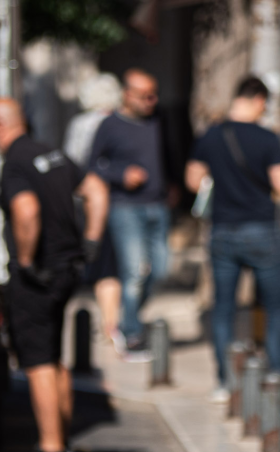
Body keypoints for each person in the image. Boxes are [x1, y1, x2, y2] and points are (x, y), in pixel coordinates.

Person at [0, 98, 109, 452]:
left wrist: (23, 261)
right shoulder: (50, 152)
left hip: (38, 275)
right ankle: (62, 442)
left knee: (36, 363)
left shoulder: (16, 161)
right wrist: (91, 243)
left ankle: (51, 451)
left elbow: (26, 210)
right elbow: (97, 190)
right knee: (52, 358)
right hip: (67, 269)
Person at [185, 76, 280, 402]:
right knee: (275, 307)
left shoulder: (210, 135)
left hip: (222, 230)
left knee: (223, 308)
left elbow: (193, 180)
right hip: (261, 229)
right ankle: (276, 373)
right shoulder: (268, 138)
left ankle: (225, 381)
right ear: (259, 100)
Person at [89, 68, 176, 358]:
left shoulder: (159, 120)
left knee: (161, 268)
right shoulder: (109, 125)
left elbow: (171, 153)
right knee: (135, 271)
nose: (151, 101)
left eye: (154, 95)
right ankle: (132, 333)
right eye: (144, 96)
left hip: (158, 205)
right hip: (125, 207)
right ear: (127, 95)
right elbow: (92, 165)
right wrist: (120, 173)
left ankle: (128, 317)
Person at [64, 73, 122, 342]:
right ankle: (113, 323)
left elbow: (73, 164)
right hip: (121, 202)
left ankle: (110, 324)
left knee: (103, 263)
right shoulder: (122, 122)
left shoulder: (80, 124)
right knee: (116, 265)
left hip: (90, 205)